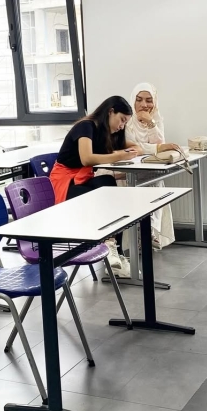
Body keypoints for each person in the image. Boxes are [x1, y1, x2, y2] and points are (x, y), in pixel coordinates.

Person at [50, 95, 139, 277]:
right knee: (106, 198)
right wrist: (120, 155)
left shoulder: (104, 134)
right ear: (110, 112)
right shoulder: (86, 126)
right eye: (122, 120)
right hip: (64, 183)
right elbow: (87, 159)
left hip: (81, 179)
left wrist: (132, 150)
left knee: (108, 183)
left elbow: (136, 147)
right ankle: (112, 248)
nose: (122, 126)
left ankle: (114, 250)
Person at [125, 83, 179, 249]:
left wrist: (150, 122)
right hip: (128, 169)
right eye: (139, 100)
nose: (144, 105)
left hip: (149, 168)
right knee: (151, 182)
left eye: (149, 100)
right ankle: (143, 233)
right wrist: (156, 148)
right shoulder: (127, 120)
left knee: (156, 180)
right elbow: (135, 148)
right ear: (133, 101)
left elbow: (160, 142)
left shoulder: (156, 117)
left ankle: (150, 231)